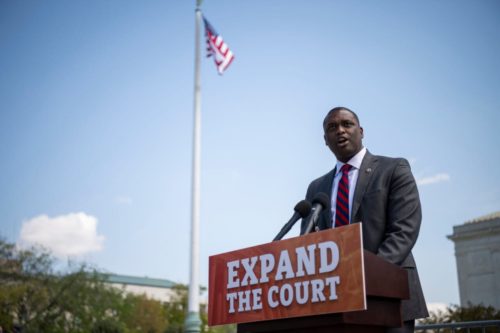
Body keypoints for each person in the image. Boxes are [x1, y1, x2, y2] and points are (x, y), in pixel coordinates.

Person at [300, 106, 428, 333]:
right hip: (336, 300)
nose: (340, 130)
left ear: (361, 131)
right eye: (332, 127)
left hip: (390, 294)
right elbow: (307, 244)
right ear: (325, 139)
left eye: (347, 124)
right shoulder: (316, 188)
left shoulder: (393, 169)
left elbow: (404, 230)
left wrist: (364, 277)